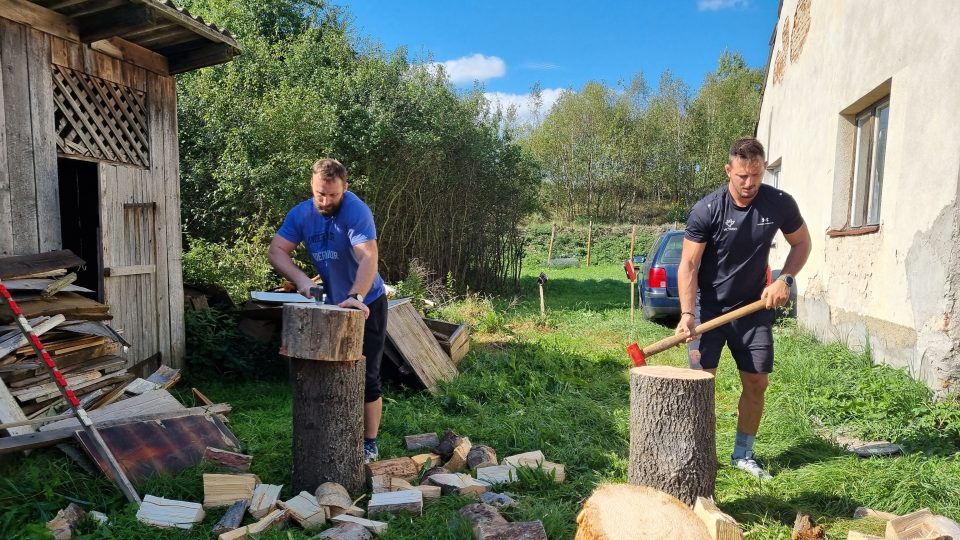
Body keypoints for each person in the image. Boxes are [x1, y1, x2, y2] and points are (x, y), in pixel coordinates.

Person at [675, 137, 811, 480]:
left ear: (763, 168)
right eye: (742, 176)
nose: (749, 184)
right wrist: (688, 314)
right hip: (708, 309)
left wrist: (786, 279)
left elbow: (802, 243)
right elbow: (689, 265)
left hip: (753, 309)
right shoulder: (707, 209)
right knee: (700, 384)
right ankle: (697, 454)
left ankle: (743, 454)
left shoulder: (779, 203)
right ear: (728, 171)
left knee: (756, 382)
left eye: (756, 174)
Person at [268, 158, 388, 463]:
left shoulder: (356, 210)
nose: (326, 200)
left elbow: (368, 257)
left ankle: (369, 443)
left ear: (344, 188)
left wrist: (355, 296)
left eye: (333, 195)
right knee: (323, 373)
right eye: (321, 193)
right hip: (330, 306)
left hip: (367, 302)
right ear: (312, 185)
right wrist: (302, 280)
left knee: (368, 377)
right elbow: (276, 251)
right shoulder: (301, 214)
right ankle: (325, 436)